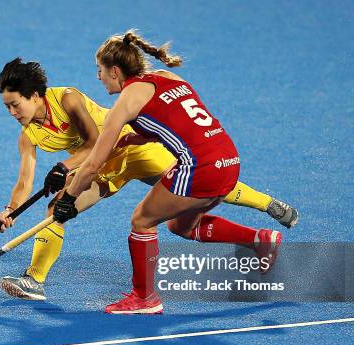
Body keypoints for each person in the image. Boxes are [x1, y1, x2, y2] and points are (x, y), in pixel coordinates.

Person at [0, 57, 297, 302]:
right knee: (55, 211)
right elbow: (24, 179)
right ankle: (34, 281)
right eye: (6, 106)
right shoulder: (27, 136)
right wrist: (11, 209)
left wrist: (64, 166)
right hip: (103, 169)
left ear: (35, 96)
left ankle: (268, 204)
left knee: (200, 182)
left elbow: (93, 141)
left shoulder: (67, 98)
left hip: (134, 148)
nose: (11, 112)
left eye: (15, 104)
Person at [53, 31, 285, 314]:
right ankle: (258, 240)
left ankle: (144, 298)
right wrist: (133, 138)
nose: (98, 77)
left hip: (200, 167)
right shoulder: (167, 77)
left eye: (99, 71)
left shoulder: (125, 102)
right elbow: (178, 120)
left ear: (115, 71)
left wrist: (68, 199)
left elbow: (92, 165)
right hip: (228, 158)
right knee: (181, 226)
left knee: (141, 220)